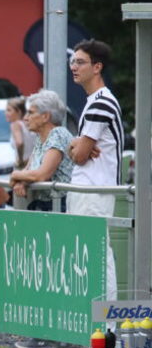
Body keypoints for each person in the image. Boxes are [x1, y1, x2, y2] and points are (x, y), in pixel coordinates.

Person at [67, 39, 123, 303]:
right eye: (72, 61)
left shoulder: (101, 101)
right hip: (87, 190)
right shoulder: (95, 101)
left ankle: (106, 325)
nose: (74, 67)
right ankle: (96, 323)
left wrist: (78, 147)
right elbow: (77, 150)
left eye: (80, 62)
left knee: (98, 257)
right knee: (88, 258)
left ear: (97, 67)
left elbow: (79, 155)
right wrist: (76, 144)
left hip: (94, 190)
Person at [8, 89, 74, 212]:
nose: (26, 118)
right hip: (48, 207)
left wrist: (15, 175)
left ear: (45, 116)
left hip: (62, 208)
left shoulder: (58, 134)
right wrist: (22, 182)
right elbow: (29, 171)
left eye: (30, 113)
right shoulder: (41, 137)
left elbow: (42, 174)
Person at [6, 96, 35, 169]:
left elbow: (19, 143)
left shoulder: (15, 124)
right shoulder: (31, 123)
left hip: (24, 165)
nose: (6, 113)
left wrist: (20, 160)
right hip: (34, 163)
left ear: (18, 111)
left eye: (9, 110)